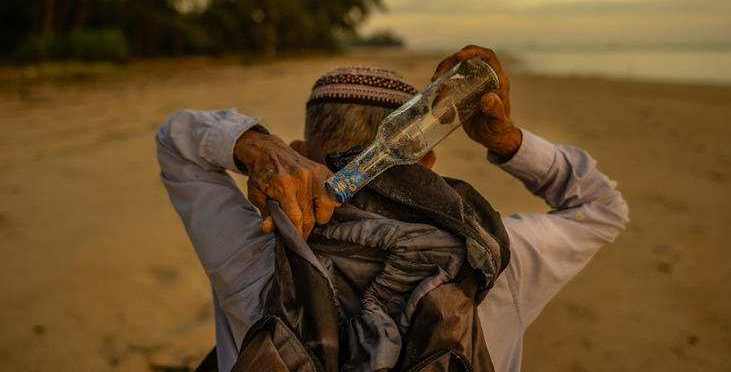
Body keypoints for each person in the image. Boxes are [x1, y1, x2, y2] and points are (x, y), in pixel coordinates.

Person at [156, 45, 629, 371]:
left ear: (301, 151)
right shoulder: (498, 259)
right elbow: (602, 206)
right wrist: (506, 142)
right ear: (428, 162)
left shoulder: (256, 249)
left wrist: (258, 148)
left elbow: (178, 141)